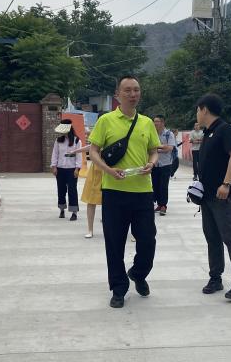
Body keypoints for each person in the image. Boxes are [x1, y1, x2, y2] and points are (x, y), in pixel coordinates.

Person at [88, 75, 160, 308]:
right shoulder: (106, 121)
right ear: (117, 95)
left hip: (143, 192)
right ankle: (118, 288)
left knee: (148, 240)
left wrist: (151, 163)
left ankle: (138, 273)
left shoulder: (146, 122)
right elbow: (93, 151)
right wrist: (108, 170)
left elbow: (154, 151)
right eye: (127, 90)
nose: (132, 94)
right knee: (114, 243)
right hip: (114, 192)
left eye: (136, 89)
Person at [195, 94, 231, 302]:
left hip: (222, 196)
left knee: (230, 238)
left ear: (204, 109)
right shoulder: (209, 132)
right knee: (212, 238)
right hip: (207, 196)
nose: (197, 114)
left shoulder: (225, 129)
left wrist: (226, 183)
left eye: (198, 110)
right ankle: (215, 278)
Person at [70, 134, 101, 239]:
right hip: (96, 171)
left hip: (110, 171)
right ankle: (90, 230)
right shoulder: (100, 134)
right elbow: (91, 147)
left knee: (112, 203)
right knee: (91, 201)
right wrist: (76, 151)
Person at [51, 120, 81, 220]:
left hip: (72, 169)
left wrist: (77, 169)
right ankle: (62, 210)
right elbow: (55, 154)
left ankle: (74, 212)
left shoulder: (77, 141)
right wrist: (54, 167)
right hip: (60, 169)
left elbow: (79, 156)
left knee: (72, 190)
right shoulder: (58, 140)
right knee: (61, 190)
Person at [151, 115, 177, 215]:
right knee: (155, 185)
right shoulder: (152, 134)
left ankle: (163, 206)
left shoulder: (169, 134)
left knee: (163, 186)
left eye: (157, 121)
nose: (155, 123)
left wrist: (156, 149)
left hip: (166, 164)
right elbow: (150, 148)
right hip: (155, 164)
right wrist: (162, 147)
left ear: (162, 123)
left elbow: (169, 148)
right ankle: (159, 204)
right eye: (154, 121)